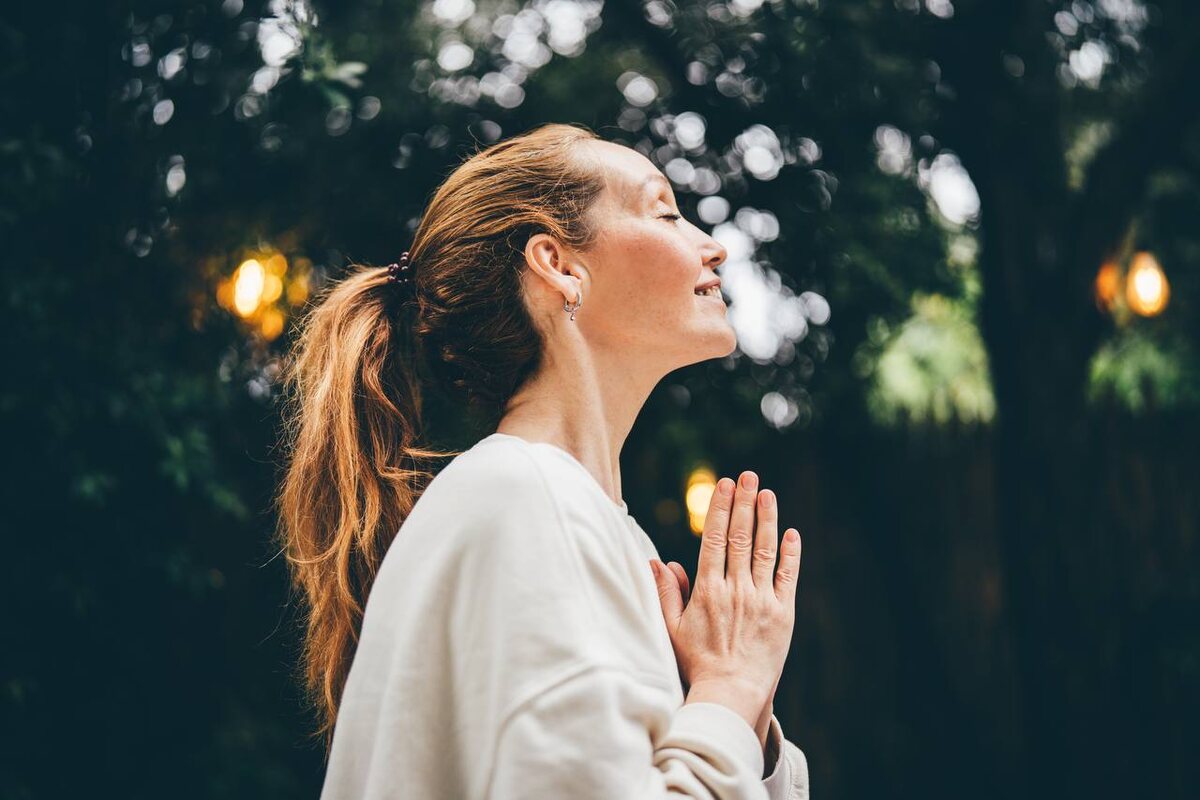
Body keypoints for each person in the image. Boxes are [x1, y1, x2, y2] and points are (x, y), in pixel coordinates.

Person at [275, 121, 810, 799]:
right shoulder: (524, 499)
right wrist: (731, 684)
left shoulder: (577, 516)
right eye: (665, 212)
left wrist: (742, 706)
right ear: (558, 265)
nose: (713, 247)